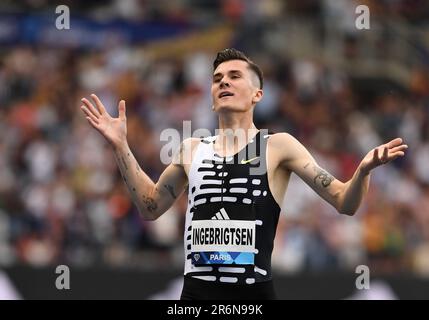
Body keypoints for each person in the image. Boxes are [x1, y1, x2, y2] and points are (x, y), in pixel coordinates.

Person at [79, 48, 408, 300]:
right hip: (197, 295)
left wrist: (363, 172)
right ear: (210, 99)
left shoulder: (277, 146)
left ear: (257, 95)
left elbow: (344, 202)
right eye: (217, 78)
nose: (223, 81)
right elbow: (150, 207)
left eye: (235, 76)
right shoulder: (192, 148)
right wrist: (120, 145)